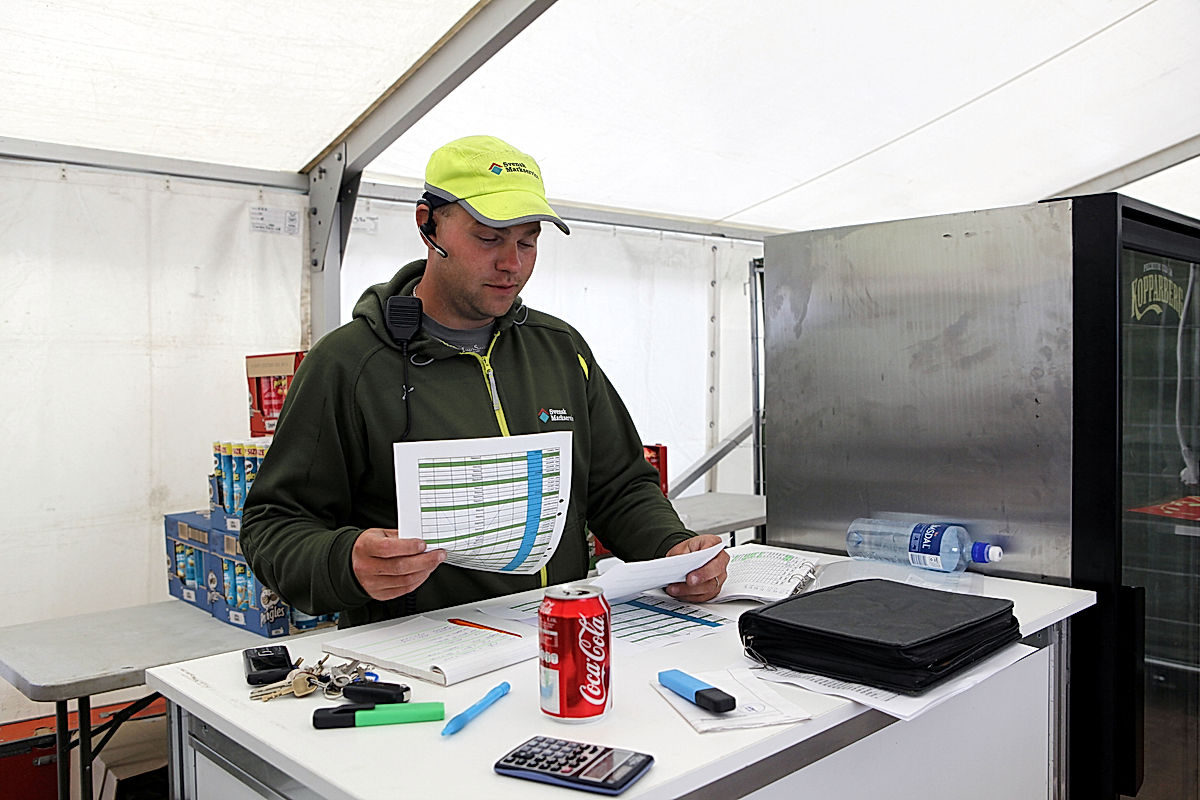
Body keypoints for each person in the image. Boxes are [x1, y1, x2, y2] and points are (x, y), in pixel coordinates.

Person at [241, 134, 728, 627]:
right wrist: (343, 561)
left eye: (527, 241)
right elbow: (272, 527)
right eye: (488, 237)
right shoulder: (348, 364)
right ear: (427, 225)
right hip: (424, 663)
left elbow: (620, 486)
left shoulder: (560, 349)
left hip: (562, 638)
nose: (511, 264)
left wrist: (671, 546)